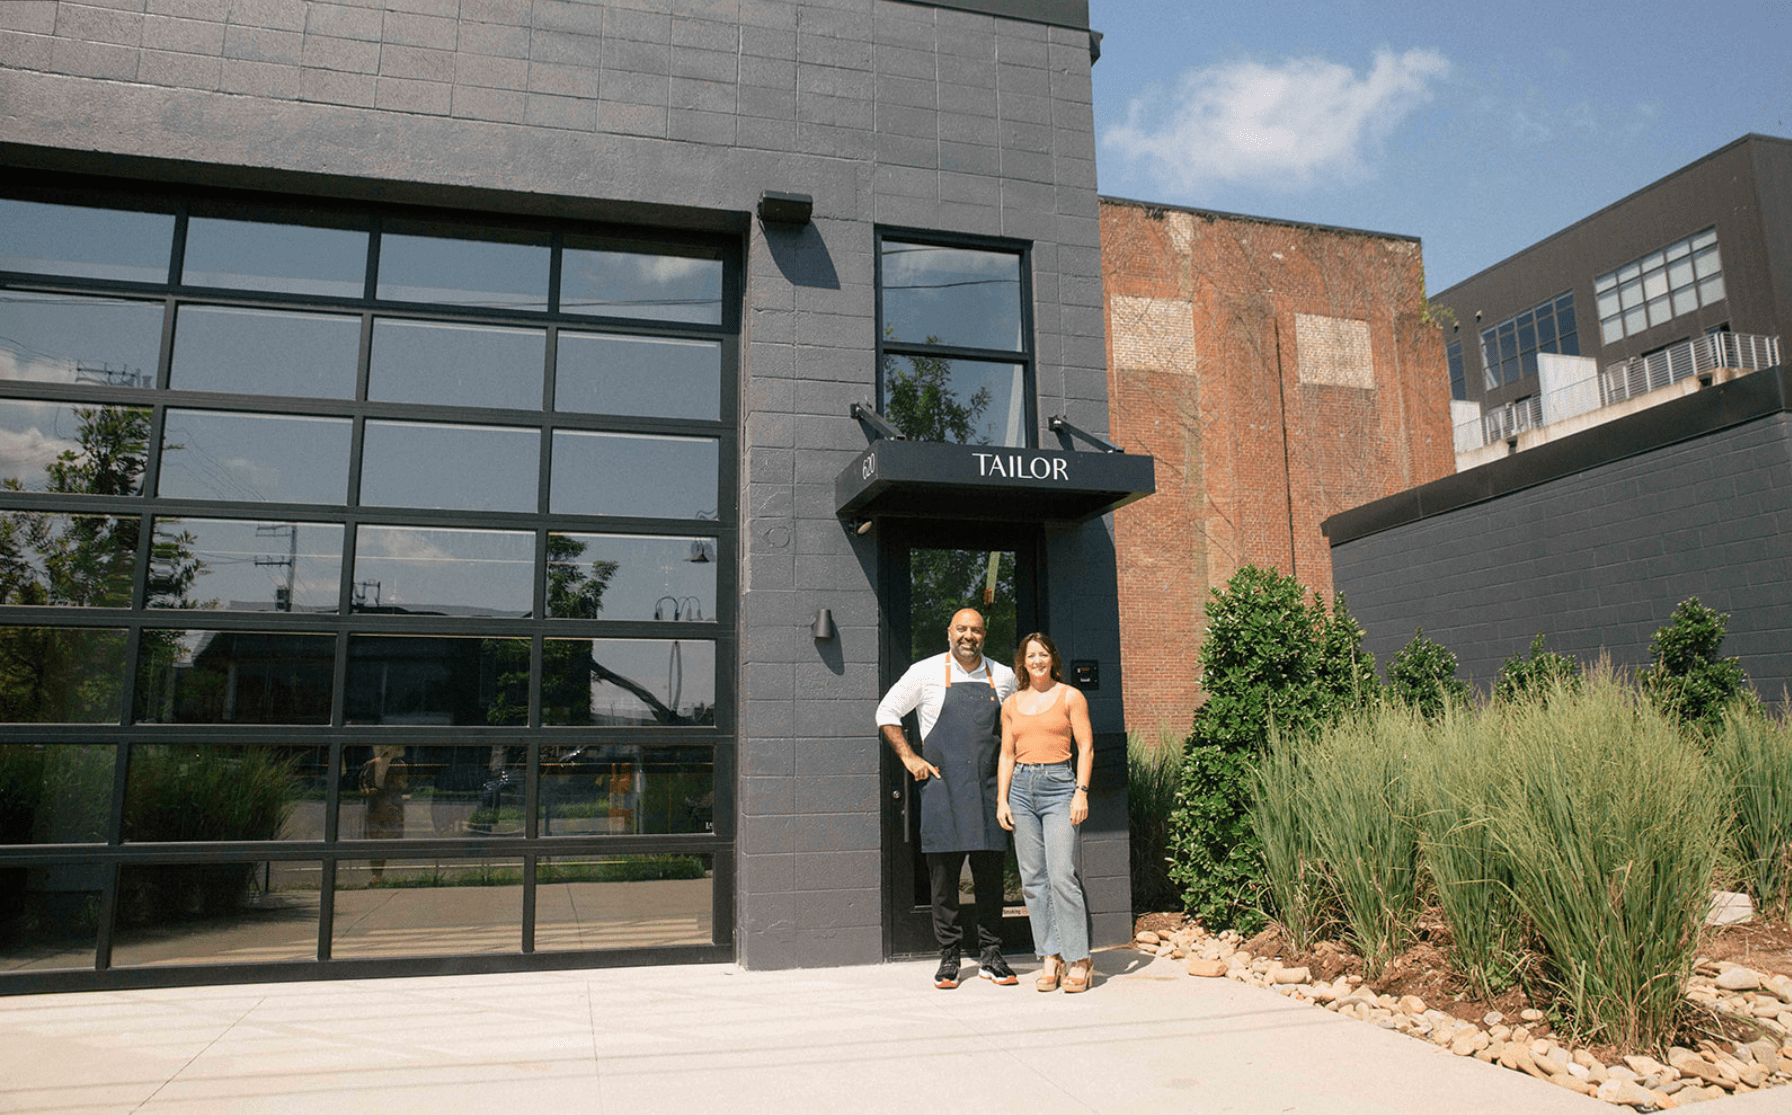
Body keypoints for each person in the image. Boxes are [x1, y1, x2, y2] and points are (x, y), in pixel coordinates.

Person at [876, 607, 1020, 989]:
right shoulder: (925, 672)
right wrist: (910, 758)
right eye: (962, 629)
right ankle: (950, 956)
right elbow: (886, 712)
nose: (968, 636)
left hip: (989, 791)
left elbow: (1017, 726)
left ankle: (991, 955)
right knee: (944, 883)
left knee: (990, 881)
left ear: (984, 635)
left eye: (976, 630)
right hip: (942, 790)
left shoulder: (1003, 676)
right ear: (949, 633)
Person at [996, 632, 1095, 993]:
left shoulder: (1070, 696)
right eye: (1030, 656)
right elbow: (1007, 754)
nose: (1037, 661)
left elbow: (1086, 747)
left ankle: (1079, 958)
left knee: (1061, 875)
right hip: (1021, 790)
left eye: (1042, 654)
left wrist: (1081, 792)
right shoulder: (1011, 703)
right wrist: (1002, 800)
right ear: (1022, 663)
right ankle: (1050, 956)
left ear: (1052, 658)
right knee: (1033, 880)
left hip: (1059, 788)